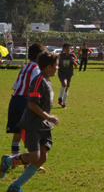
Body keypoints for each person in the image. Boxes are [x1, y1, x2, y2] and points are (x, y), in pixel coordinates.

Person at [1, 51, 60, 191]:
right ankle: (7, 161)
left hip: (44, 126)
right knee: (35, 157)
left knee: (42, 158)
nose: (58, 68)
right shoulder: (39, 80)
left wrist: (47, 119)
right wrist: (49, 117)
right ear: (48, 67)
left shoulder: (47, 79)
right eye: (56, 65)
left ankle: (15, 186)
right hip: (32, 125)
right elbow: (32, 104)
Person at [5, 43, 46, 159]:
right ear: (39, 57)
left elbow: (15, 86)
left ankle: (14, 160)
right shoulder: (36, 69)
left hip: (14, 100)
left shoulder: (25, 68)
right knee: (31, 132)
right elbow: (35, 86)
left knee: (17, 133)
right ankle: (31, 159)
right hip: (25, 102)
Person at [58, 43, 77, 109]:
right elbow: (56, 63)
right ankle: (60, 98)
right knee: (64, 84)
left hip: (69, 74)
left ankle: (64, 104)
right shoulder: (60, 56)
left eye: (69, 48)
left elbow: (76, 65)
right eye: (66, 48)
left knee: (66, 88)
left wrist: (73, 61)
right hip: (62, 73)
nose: (68, 49)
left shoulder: (73, 55)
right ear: (64, 49)